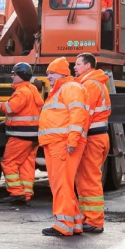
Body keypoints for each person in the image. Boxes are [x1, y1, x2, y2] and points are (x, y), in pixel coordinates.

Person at [39, 57, 88, 237]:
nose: (49, 77)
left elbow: (78, 113)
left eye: (52, 73)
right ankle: (73, 222)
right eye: (47, 74)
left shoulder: (70, 88)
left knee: (61, 184)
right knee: (63, 184)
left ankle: (63, 224)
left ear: (62, 73)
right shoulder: (61, 90)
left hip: (63, 143)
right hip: (57, 142)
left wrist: (72, 140)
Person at [74, 53, 111, 234]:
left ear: (88, 65)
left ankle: (95, 221)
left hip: (92, 138)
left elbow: (83, 116)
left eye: (78, 64)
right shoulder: (95, 83)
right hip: (96, 137)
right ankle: (88, 217)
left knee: (89, 180)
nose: (75, 67)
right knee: (85, 179)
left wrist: (74, 138)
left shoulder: (90, 85)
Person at [0, 62, 42, 206]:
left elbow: (10, 108)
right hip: (34, 135)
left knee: (9, 162)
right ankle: (26, 193)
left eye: (14, 74)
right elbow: (27, 112)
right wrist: (6, 123)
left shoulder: (22, 91)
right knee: (27, 164)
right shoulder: (33, 89)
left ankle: (16, 192)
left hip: (20, 135)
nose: (12, 76)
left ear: (21, 76)